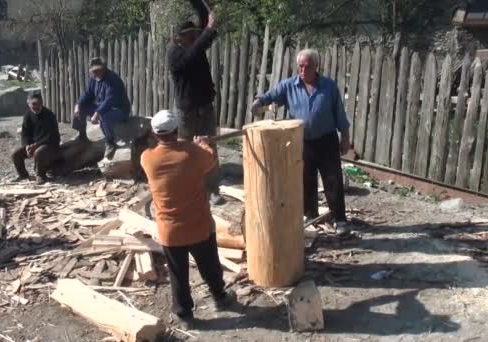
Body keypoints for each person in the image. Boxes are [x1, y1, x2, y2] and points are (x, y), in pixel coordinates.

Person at [141, 110, 235, 329]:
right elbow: (210, 161)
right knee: (210, 264)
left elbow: (168, 148)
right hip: (198, 225)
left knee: (178, 274)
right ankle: (220, 297)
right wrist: (204, 144)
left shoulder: (148, 159)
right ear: (176, 130)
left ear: (155, 134)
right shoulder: (193, 153)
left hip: (170, 231)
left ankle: (184, 314)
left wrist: (188, 145)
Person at [251, 48, 351, 235]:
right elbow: (269, 96)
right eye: (300, 67)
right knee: (306, 179)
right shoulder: (289, 85)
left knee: (333, 180)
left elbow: (340, 115)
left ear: (316, 67)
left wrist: (345, 139)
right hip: (302, 141)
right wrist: (259, 101)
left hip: (327, 140)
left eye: (307, 67)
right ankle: (310, 213)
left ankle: (339, 218)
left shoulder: (329, 87)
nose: (303, 71)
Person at [167, 0, 224, 205]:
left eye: (195, 33)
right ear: (180, 38)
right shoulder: (175, 53)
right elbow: (191, 56)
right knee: (184, 149)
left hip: (204, 106)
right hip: (186, 110)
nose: (195, 36)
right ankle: (186, 187)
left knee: (210, 147)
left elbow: (203, 33)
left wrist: (200, 6)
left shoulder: (194, 45)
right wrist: (208, 28)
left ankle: (212, 189)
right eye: (191, 34)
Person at [72, 57, 130, 159]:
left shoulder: (113, 79)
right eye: (93, 71)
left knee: (104, 115)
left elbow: (110, 100)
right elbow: (86, 94)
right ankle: (81, 135)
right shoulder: (93, 79)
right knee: (81, 107)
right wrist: (78, 104)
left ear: (103, 68)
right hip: (102, 107)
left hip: (119, 109)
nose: (95, 73)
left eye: (98, 70)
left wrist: (97, 113)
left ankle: (110, 142)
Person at [12, 93, 61, 185]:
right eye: (33, 104)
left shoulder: (49, 115)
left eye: (37, 104)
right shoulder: (28, 115)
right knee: (16, 154)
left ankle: (41, 175)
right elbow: (25, 133)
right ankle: (23, 175)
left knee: (38, 152)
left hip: (50, 144)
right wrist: (26, 145)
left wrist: (36, 145)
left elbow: (51, 135)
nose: (35, 106)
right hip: (34, 144)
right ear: (28, 104)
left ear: (41, 103)